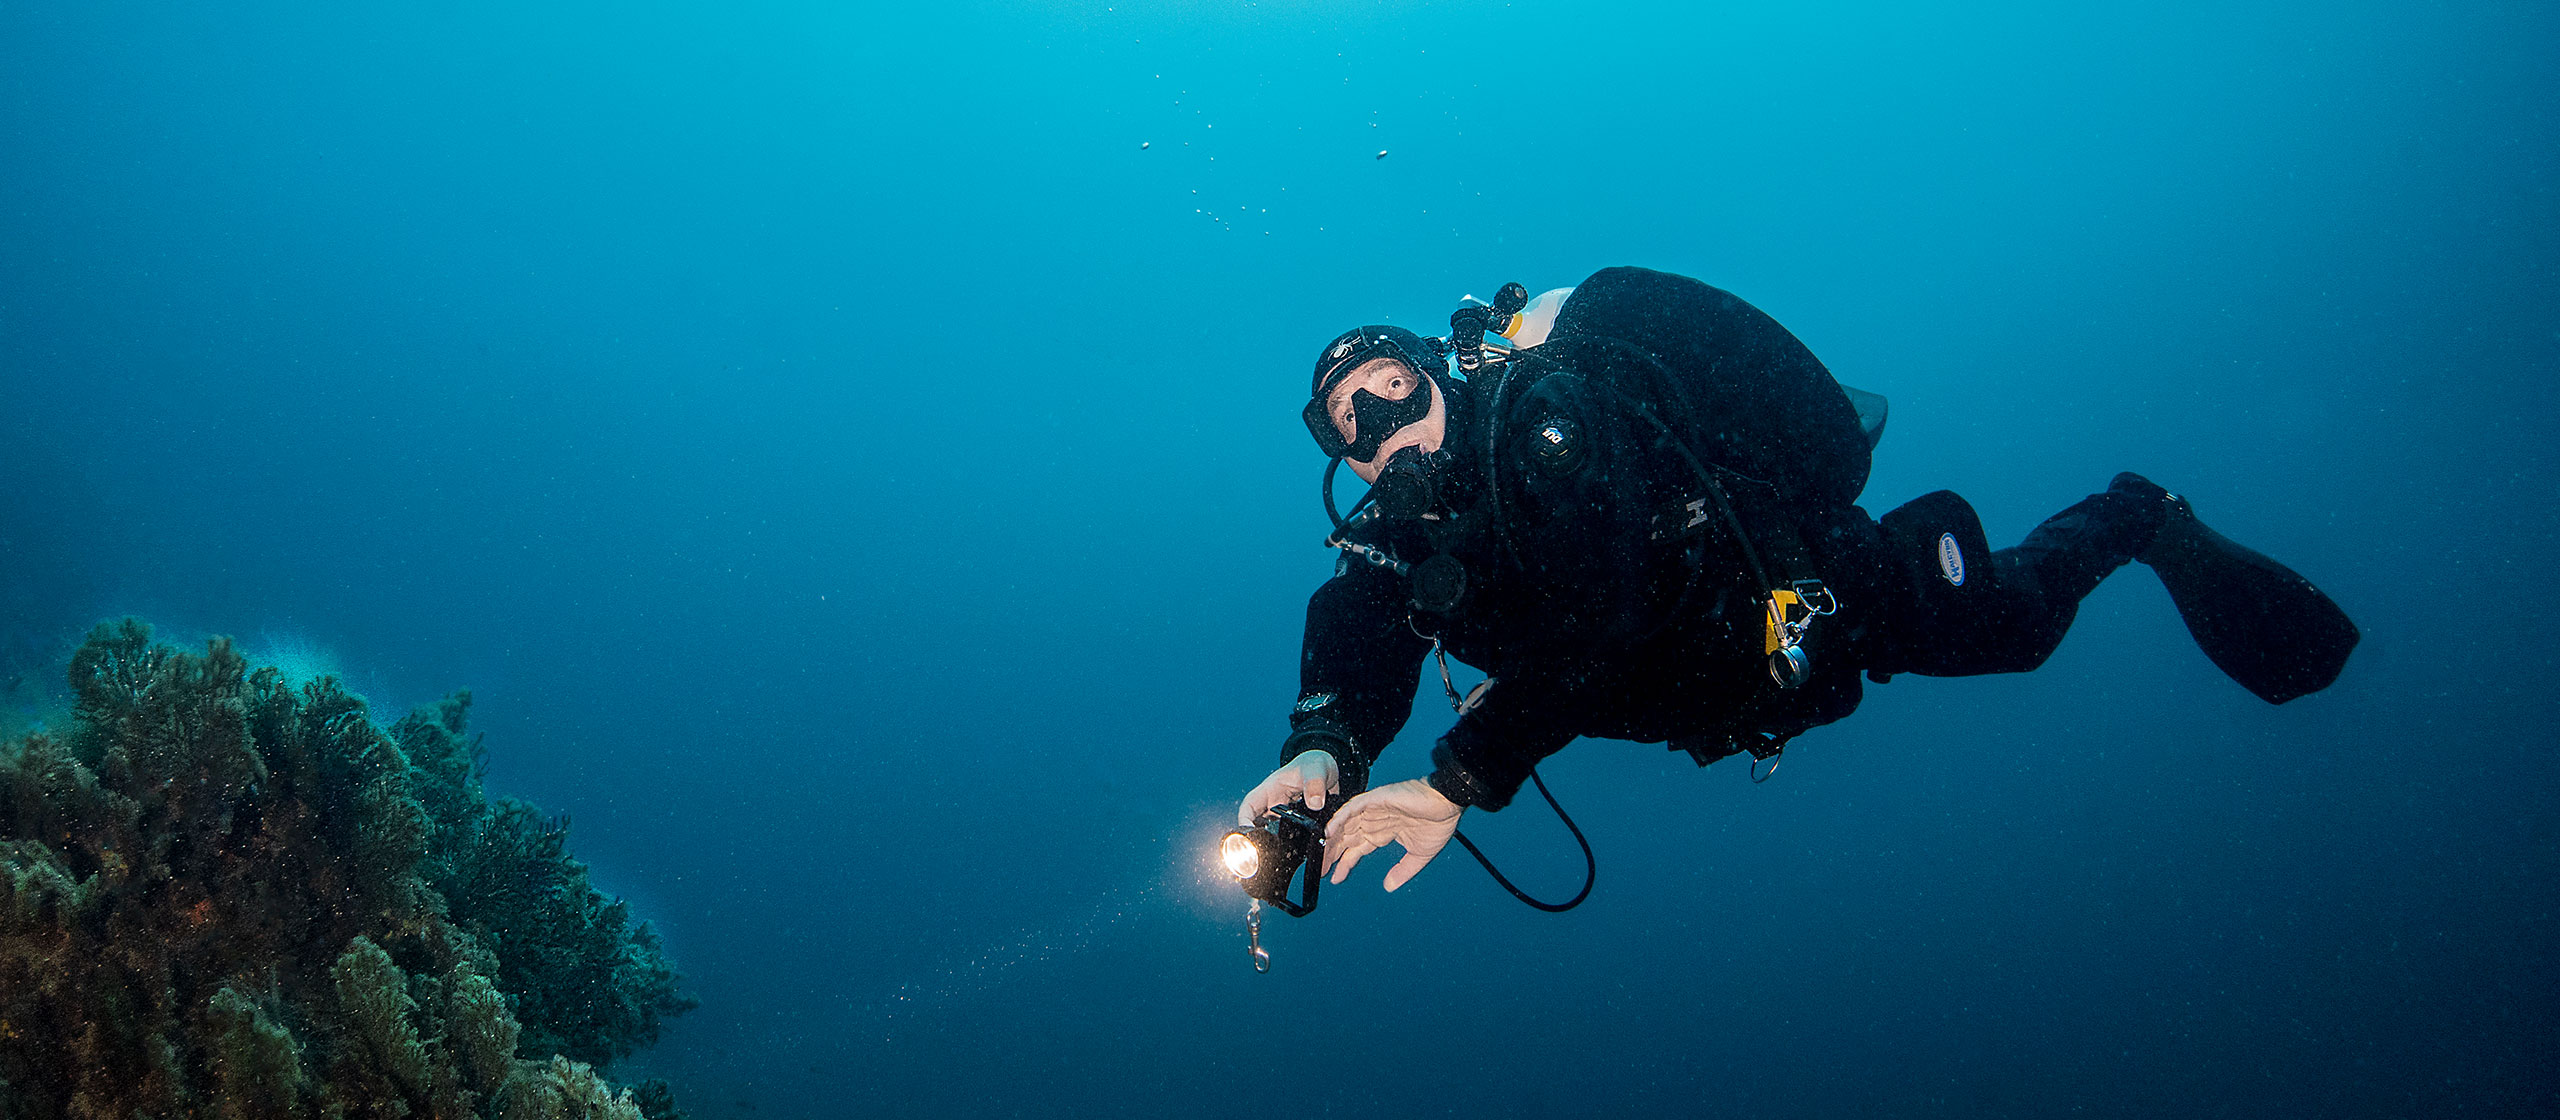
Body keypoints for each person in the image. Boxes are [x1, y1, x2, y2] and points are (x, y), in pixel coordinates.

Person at [1236, 266, 2359, 895]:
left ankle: (2137, 514)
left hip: (1827, 598)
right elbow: (1356, 617)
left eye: (1390, 386)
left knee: (2012, 628)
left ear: (1439, 376)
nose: (1377, 424)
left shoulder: (1543, 425)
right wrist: (1319, 749)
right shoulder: (1399, 530)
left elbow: (1611, 609)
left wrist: (1461, 775)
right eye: (1348, 424)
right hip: (1753, 686)